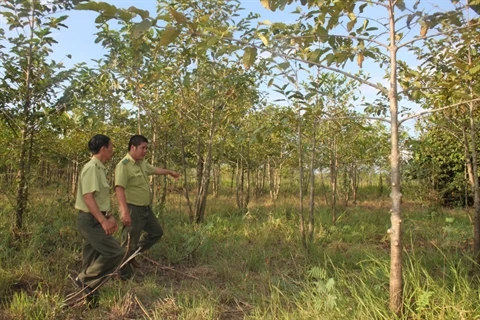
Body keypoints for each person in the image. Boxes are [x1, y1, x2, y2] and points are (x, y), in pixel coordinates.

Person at [74, 134, 132, 307]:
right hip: (90, 221)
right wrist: (102, 221)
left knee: (90, 261)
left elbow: (99, 199)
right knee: (115, 252)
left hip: (96, 218)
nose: (112, 150)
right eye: (111, 147)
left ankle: (91, 301)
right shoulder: (92, 168)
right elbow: (88, 198)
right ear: (103, 148)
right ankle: (83, 279)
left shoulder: (100, 168)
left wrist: (109, 216)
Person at [115, 134, 180, 267]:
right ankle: (121, 271)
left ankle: (132, 254)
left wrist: (169, 172)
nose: (145, 151)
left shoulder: (141, 163)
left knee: (156, 232)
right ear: (133, 147)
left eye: (146, 148)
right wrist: (124, 212)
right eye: (142, 148)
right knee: (128, 241)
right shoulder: (124, 165)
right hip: (133, 208)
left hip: (145, 208)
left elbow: (154, 170)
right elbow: (119, 189)